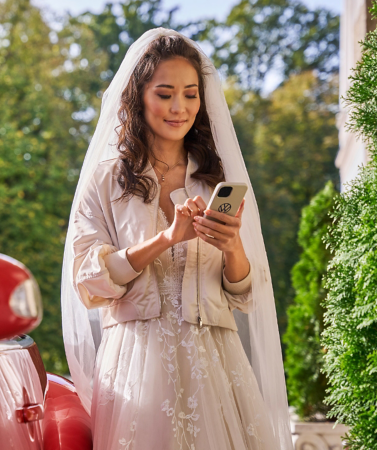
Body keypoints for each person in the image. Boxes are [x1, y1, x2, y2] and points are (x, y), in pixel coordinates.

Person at [60, 28, 293, 449]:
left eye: (190, 94)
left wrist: (231, 246)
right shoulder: (106, 180)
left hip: (217, 362)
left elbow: (244, 293)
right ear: (138, 97)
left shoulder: (217, 179)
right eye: (165, 93)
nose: (179, 107)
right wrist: (166, 238)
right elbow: (88, 282)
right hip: (136, 364)